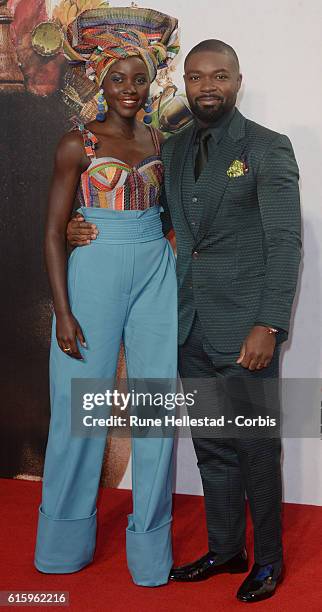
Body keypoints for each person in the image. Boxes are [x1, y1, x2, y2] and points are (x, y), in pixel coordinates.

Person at [68, 39, 302, 602]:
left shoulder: (268, 148)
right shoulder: (169, 150)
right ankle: (226, 549)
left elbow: (286, 241)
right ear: (186, 84)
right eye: (195, 77)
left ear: (238, 80)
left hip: (246, 329)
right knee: (212, 445)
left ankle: (267, 560)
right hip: (187, 323)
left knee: (254, 445)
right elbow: (150, 215)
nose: (206, 87)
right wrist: (79, 225)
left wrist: (269, 324)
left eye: (218, 76)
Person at [34, 8, 180, 587]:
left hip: (155, 272)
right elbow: (52, 229)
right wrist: (62, 312)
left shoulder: (159, 138)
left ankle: (150, 555)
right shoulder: (79, 142)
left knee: (156, 407)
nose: (128, 89)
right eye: (117, 78)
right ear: (100, 79)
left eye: (138, 78)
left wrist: (165, 239)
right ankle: (62, 547)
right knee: (77, 409)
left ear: (150, 82)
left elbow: (171, 212)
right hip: (92, 273)